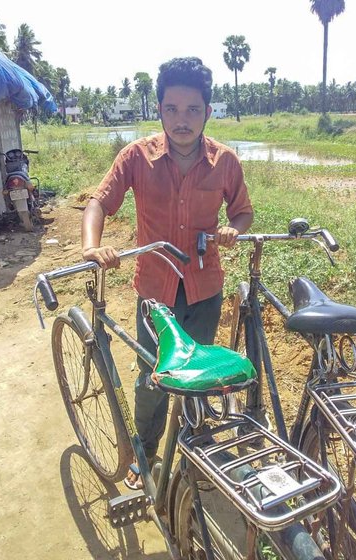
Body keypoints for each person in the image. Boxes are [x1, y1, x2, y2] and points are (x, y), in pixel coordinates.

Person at [81, 57, 253, 488]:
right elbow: (99, 202)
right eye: (172, 109)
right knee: (152, 379)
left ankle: (196, 448)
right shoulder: (136, 158)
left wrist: (233, 229)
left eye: (193, 110)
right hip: (156, 292)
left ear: (207, 112)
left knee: (200, 376)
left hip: (204, 290)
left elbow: (243, 211)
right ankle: (145, 451)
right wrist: (92, 245)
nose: (182, 120)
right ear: (159, 110)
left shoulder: (225, 162)